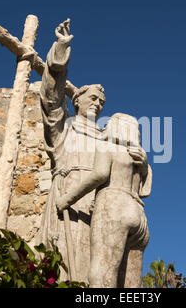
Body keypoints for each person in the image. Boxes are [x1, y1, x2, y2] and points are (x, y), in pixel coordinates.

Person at [38, 19, 149, 284]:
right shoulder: (64, 129)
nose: (98, 104)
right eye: (93, 99)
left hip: (101, 206)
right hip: (71, 200)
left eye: (102, 102)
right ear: (76, 101)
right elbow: (51, 99)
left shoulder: (109, 138)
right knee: (65, 266)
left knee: (99, 274)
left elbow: (133, 183)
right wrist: (60, 51)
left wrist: (143, 164)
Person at [56, 113, 152, 287]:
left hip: (113, 206)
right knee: (131, 282)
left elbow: (100, 175)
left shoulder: (107, 146)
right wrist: (145, 168)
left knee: (102, 274)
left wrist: (67, 199)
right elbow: (145, 191)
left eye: (108, 124)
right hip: (139, 213)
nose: (105, 127)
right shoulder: (140, 157)